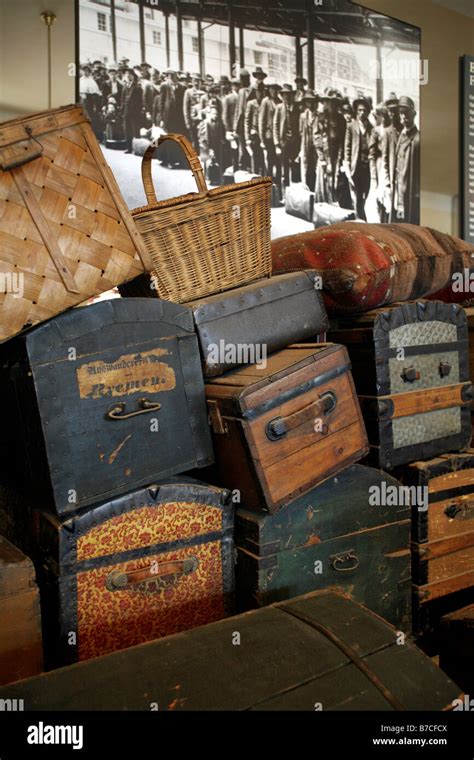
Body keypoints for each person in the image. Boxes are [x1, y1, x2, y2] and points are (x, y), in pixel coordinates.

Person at [392, 95, 420, 224]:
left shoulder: (418, 139)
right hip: (399, 191)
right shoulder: (400, 136)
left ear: (413, 114)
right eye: (401, 113)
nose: (403, 116)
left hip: (411, 195)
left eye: (406, 113)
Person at [344, 97, 373, 220]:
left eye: (364, 110)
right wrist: (348, 164)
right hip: (356, 165)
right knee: (358, 192)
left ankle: (362, 213)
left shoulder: (371, 127)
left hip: (368, 166)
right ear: (356, 111)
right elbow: (347, 147)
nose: (362, 113)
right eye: (360, 110)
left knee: (366, 191)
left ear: (368, 112)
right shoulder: (351, 126)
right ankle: (360, 217)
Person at [369, 103, 390, 222]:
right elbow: (372, 152)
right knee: (378, 193)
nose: (383, 118)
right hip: (379, 164)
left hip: (387, 163)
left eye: (385, 115)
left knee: (386, 193)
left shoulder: (390, 130)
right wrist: (373, 171)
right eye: (381, 115)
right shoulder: (376, 131)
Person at [273, 84, 294, 199]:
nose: (287, 97)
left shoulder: (294, 108)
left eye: (289, 95)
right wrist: (277, 144)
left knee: (291, 169)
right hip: (282, 143)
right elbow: (275, 125)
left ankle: (290, 194)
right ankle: (282, 194)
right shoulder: (279, 107)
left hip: (292, 143)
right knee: (281, 169)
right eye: (285, 95)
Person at [259, 80, 281, 180]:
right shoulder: (265, 101)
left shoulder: (280, 102)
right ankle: (268, 179)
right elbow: (261, 121)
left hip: (279, 136)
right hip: (268, 135)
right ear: (269, 90)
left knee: (278, 160)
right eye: (272, 89)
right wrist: (262, 139)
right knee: (270, 158)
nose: (274, 92)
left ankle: (277, 181)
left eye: (276, 90)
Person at [233, 68, 253, 170]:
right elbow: (238, 109)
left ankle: (249, 166)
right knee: (241, 147)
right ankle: (242, 167)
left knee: (249, 146)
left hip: (249, 124)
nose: (241, 81)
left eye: (242, 79)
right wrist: (235, 126)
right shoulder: (241, 91)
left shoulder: (252, 90)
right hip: (241, 124)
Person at [298, 90, 319, 190]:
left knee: (316, 169)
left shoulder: (319, 116)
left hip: (316, 147)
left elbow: (320, 133)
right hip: (305, 145)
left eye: (312, 101)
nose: (310, 104)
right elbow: (301, 132)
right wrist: (301, 149)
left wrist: (318, 147)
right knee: (305, 168)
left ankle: (315, 190)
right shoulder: (303, 116)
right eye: (308, 101)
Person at [245, 83, 266, 176]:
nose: (260, 94)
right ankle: (255, 177)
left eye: (261, 92)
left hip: (264, 135)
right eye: (258, 92)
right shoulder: (251, 103)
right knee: (254, 157)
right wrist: (247, 137)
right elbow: (247, 121)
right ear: (255, 92)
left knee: (263, 159)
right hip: (254, 135)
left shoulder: (265, 103)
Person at [121, 68, 143, 153]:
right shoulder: (125, 86)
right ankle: (129, 148)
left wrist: (139, 111)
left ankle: (137, 148)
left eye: (130, 74)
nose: (128, 76)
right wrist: (122, 109)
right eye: (127, 75)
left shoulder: (137, 87)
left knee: (135, 129)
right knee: (127, 129)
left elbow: (140, 101)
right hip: (126, 111)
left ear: (133, 76)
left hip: (135, 112)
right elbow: (122, 99)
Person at [79, 64, 103, 138]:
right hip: (84, 99)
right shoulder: (81, 80)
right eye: (84, 71)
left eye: (87, 71)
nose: (86, 72)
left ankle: (94, 134)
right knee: (85, 116)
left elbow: (96, 91)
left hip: (92, 99)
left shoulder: (92, 79)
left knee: (92, 116)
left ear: (89, 71)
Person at [223, 78, 240, 171]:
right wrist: (228, 130)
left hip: (240, 129)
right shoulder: (228, 98)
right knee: (234, 150)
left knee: (240, 151)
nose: (237, 87)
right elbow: (225, 116)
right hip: (231, 129)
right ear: (232, 86)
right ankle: (234, 169)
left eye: (238, 85)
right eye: (235, 85)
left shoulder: (242, 97)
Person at [183, 73, 204, 150]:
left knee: (202, 138)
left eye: (198, 81)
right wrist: (187, 122)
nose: (196, 83)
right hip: (193, 119)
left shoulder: (203, 92)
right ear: (191, 81)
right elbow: (185, 108)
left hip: (202, 119)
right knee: (194, 139)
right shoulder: (188, 92)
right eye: (194, 80)